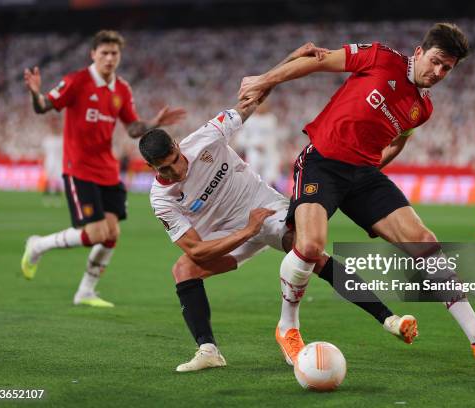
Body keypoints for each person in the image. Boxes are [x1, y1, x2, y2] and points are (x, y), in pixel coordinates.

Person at [239, 23, 475, 362]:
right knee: (310, 246)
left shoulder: (423, 109)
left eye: (447, 69)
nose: (438, 72)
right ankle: (287, 327)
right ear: (419, 52)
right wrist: (265, 79)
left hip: (363, 174)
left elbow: (398, 140)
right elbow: (319, 61)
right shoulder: (380, 57)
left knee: (424, 241)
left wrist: (377, 168)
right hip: (323, 163)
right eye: (435, 61)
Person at [139, 43, 417, 373]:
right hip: (231, 234)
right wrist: (247, 231)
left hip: (264, 207)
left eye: (174, 160)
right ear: (150, 167)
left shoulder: (205, 137)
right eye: (164, 169)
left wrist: (292, 60)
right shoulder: (161, 198)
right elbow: (197, 250)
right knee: (183, 269)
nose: (175, 171)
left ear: (176, 145)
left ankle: (387, 319)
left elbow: (254, 97)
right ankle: (209, 350)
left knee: (310, 252)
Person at [20, 30, 186, 307]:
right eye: (104, 53)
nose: (109, 58)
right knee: (96, 233)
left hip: (107, 169)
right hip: (79, 168)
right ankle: (37, 245)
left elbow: (133, 128)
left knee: (111, 235)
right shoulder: (77, 81)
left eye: (114, 54)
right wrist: (35, 94)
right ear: (93, 55)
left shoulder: (121, 89)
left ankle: (85, 291)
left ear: (119, 57)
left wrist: (152, 122)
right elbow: (43, 106)